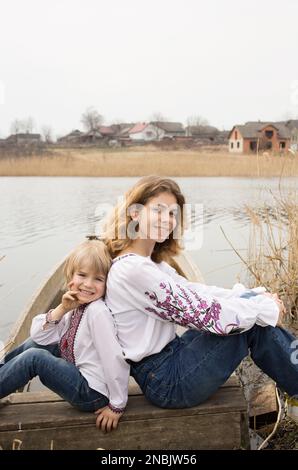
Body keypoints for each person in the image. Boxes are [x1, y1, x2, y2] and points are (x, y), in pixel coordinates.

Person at [102, 175, 298, 419]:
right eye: (159, 210)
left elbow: (199, 293)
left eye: (173, 213)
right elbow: (204, 314)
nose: (167, 219)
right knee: (253, 325)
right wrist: (266, 310)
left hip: (172, 358)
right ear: (135, 213)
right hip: (166, 382)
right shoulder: (133, 270)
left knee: (251, 312)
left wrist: (256, 297)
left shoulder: (150, 265)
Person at [0, 239, 130, 432]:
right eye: (82, 275)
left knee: (35, 358)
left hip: (92, 393)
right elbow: (39, 336)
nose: (88, 284)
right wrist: (61, 309)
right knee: (33, 345)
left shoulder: (98, 313)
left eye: (98, 279)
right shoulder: (75, 306)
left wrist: (117, 404)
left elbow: (114, 358)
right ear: (71, 278)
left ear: (107, 283)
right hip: (79, 371)